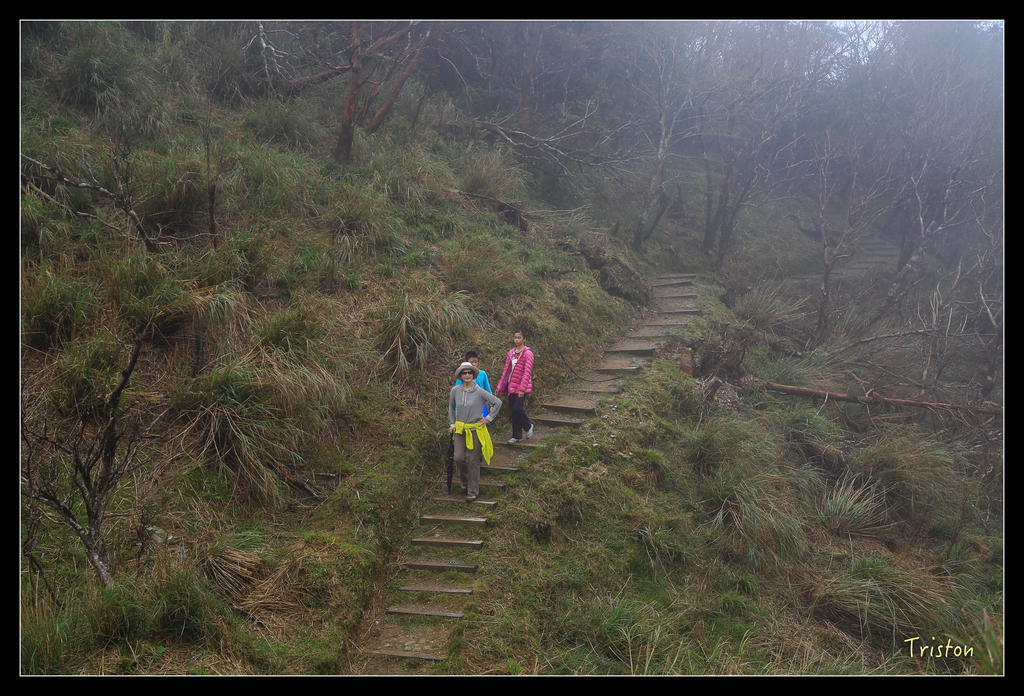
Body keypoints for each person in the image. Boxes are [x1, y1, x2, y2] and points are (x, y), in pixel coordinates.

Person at [449, 362, 502, 502]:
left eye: (469, 373)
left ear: (473, 375)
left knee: (473, 460)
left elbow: (497, 402)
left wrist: (488, 418)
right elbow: (451, 407)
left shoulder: (479, 390)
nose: (467, 375)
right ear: (460, 375)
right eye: (464, 373)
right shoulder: (455, 390)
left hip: (476, 430)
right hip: (461, 429)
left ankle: (472, 490)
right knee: (459, 458)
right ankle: (466, 481)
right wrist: (452, 424)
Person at [495, 329, 534, 444]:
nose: (517, 340)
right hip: (511, 386)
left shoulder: (528, 353)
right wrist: (500, 385)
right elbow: (506, 370)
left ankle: (528, 426)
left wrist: (522, 389)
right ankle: (516, 435)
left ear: (524, 339)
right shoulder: (511, 353)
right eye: (515, 337)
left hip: (522, 386)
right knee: (513, 410)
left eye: (519, 338)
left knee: (517, 408)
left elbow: (527, 372)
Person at [454, 351, 492, 420]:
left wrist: (492, 405)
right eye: (472, 362)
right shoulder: (462, 375)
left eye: (476, 362)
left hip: (481, 406)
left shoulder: (482, 374)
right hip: (465, 406)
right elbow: (457, 394)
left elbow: (488, 391)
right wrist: (457, 411)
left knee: (481, 426)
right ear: (466, 362)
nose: (474, 364)